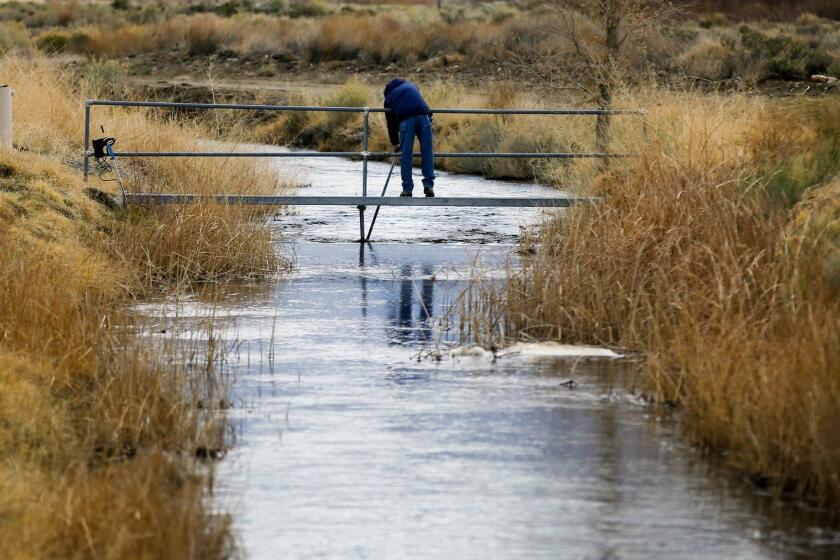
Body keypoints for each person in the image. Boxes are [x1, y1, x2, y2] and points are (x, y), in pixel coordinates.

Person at [383, 78, 435, 197]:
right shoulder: (412, 86)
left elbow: (390, 124)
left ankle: (407, 189)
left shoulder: (389, 98)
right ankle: (429, 186)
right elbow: (422, 104)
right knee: (427, 151)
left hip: (407, 120)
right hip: (424, 117)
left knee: (406, 154)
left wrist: (396, 143)